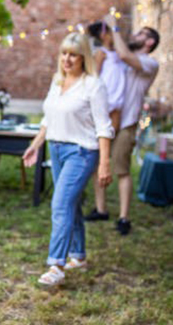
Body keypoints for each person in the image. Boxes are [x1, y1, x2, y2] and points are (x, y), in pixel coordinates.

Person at [22, 32, 114, 286]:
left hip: (81, 153)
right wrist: (35, 146)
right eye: (64, 53)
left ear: (84, 57)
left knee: (60, 204)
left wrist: (104, 164)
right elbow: (48, 120)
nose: (67, 59)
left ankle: (56, 265)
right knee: (70, 204)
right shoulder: (57, 82)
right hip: (56, 148)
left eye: (73, 54)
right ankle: (79, 256)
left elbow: (104, 128)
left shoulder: (93, 85)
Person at [84, 15, 160, 236]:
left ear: (150, 42)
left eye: (141, 34)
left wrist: (114, 25)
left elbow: (125, 54)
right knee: (100, 164)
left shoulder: (149, 63)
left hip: (127, 123)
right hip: (106, 119)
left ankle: (124, 217)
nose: (134, 36)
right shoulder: (118, 58)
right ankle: (101, 209)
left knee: (121, 170)